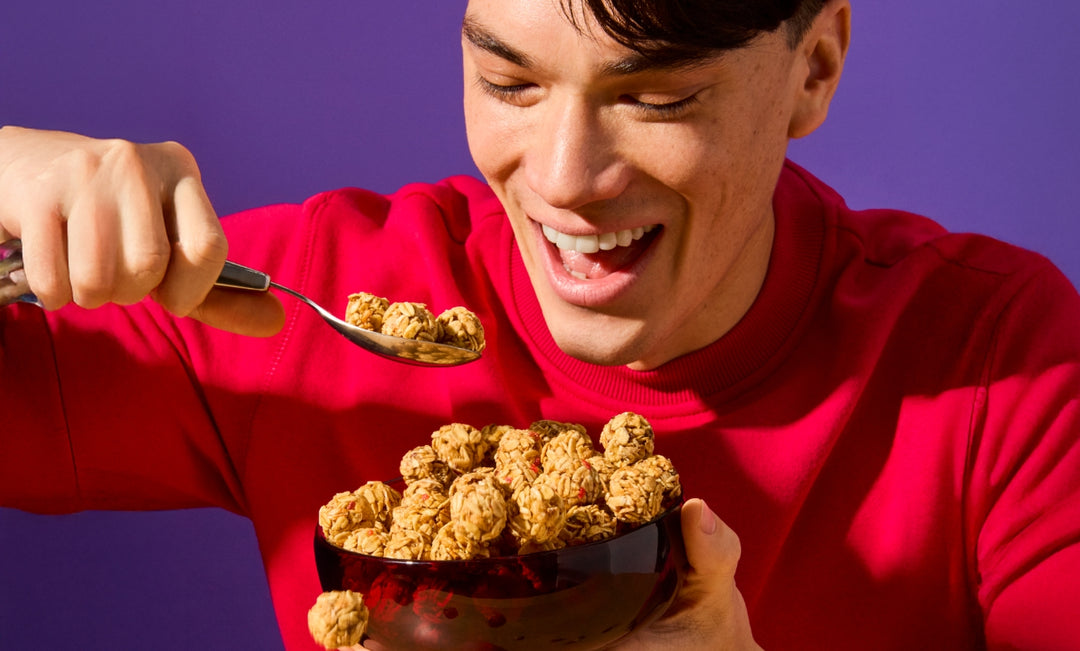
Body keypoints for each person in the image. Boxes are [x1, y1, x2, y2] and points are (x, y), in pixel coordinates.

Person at [1, 0, 1078, 649]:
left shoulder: (999, 362)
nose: (565, 182)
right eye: (508, 81)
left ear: (815, 68)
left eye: (658, 101)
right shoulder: (300, 299)